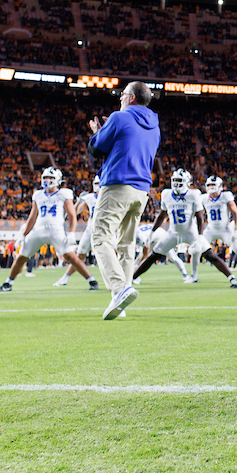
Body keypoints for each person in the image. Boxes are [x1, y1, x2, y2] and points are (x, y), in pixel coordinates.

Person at [86, 80, 161, 320]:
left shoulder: (119, 117)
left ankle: (119, 289)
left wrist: (99, 131)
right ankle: (121, 303)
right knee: (126, 244)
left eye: (122, 94)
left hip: (118, 184)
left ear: (131, 98)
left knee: (100, 237)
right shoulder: (155, 126)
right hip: (142, 190)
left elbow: (96, 149)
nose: (119, 98)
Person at [132, 169, 237, 288]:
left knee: (210, 255)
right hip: (173, 233)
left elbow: (200, 216)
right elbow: (162, 215)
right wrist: (152, 232)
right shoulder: (166, 194)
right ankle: (132, 279)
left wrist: (200, 236)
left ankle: (231, 278)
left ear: (187, 182)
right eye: (175, 180)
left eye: (179, 180)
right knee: (153, 256)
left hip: (191, 233)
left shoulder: (193, 194)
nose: (176, 183)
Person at [0, 168, 99, 292]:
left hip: (56, 230)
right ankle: (8, 283)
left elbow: (72, 215)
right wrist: (23, 234)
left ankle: (91, 280)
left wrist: (71, 233)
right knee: (22, 256)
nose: (47, 181)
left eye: (51, 178)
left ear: (58, 180)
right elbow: (32, 217)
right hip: (38, 230)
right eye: (45, 178)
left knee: (71, 256)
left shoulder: (64, 194)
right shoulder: (38, 195)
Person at [193, 175, 237, 281]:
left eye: (213, 185)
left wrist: (235, 230)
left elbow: (235, 213)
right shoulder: (204, 198)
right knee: (196, 249)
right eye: (209, 185)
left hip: (225, 229)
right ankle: (193, 276)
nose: (211, 187)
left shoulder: (226, 196)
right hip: (210, 229)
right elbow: (195, 212)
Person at [55, 175, 101, 287]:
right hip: (91, 229)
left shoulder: (110, 196)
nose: (97, 186)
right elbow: (74, 212)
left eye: (99, 184)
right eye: (95, 184)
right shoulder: (90, 198)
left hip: (107, 230)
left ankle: (129, 277)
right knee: (79, 256)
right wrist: (78, 201)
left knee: (117, 253)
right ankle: (64, 279)